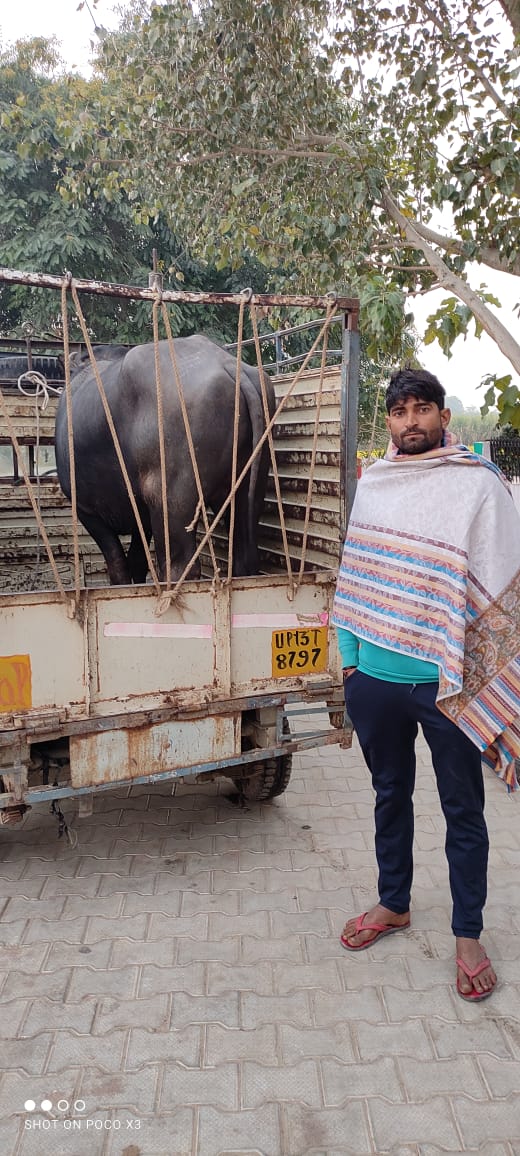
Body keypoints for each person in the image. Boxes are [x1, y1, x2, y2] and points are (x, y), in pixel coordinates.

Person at [332, 367, 520, 1002]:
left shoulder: (478, 486)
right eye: (400, 411)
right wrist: (351, 662)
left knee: (462, 808)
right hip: (375, 681)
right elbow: (357, 571)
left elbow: (502, 575)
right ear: (387, 420)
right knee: (390, 794)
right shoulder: (377, 483)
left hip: (446, 686)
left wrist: (482, 677)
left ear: (443, 415)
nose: (411, 422)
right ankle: (395, 902)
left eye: (423, 409)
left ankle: (468, 933)